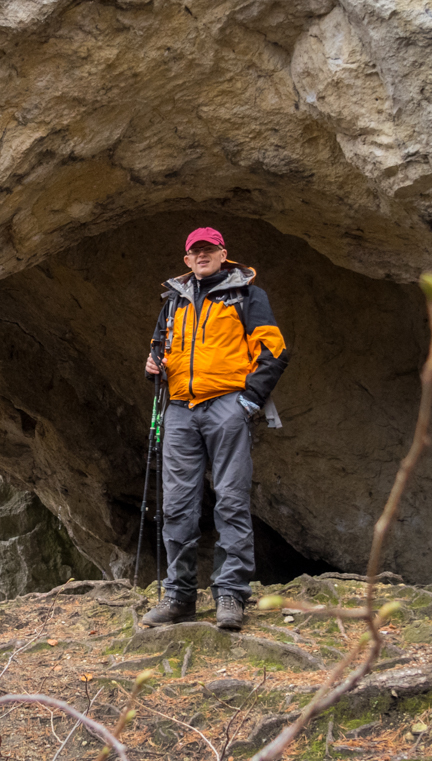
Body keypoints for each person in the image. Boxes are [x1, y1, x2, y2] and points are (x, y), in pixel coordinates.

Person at [140, 226, 289, 631]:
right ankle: (179, 597)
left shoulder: (247, 295)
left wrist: (247, 401)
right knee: (176, 505)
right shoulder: (172, 301)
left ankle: (230, 595)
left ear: (224, 254)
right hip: (179, 409)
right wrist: (154, 364)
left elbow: (274, 351)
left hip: (225, 405)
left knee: (231, 500)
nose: (202, 256)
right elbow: (159, 349)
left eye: (209, 250)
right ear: (186, 260)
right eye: (195, 251)